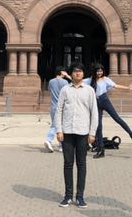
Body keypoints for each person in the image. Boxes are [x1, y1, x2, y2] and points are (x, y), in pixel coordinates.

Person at [55, 62, 98, 208]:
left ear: (83, 74)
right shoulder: (65, 90)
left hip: (83, 132)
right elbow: (58, 110)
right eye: (75, 71)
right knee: (68, 164)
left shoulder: (90, 90)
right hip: (67, 132)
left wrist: (92, 133)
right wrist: (59, 130)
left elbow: (95, 113)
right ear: (71, 74)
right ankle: (67, 196)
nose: (78, 73)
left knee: (81, 164)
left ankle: (80, 197)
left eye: (80, 71)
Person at [85, 63, 132, 158]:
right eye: (98, 71)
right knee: (98, 126)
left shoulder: (105, 79)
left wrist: (128, 88)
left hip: (104, 100)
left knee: (117, 118)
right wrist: (68, 76)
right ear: (95, 71)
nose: (99, 72)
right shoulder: (90, 80)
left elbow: (116, 86)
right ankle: (101, 150)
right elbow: (79, 81)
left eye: (101, 71)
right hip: (95, 103)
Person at [45, 66, 71, 152]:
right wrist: (67, 76)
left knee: (58, 125)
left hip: (53, 106)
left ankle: (61, 145)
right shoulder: (65, 82)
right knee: (58, 126)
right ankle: (49, 140)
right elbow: (72, 87)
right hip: (62, 107)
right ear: (62, 72)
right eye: (65, 72)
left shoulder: (51, 81)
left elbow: (49, 90)